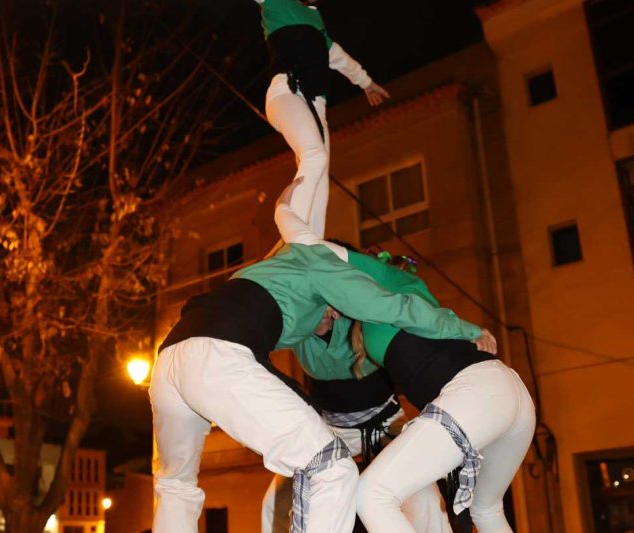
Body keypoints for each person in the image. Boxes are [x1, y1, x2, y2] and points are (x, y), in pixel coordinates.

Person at [150, 185, 482, 532]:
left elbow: (395, 306)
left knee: (175, 486)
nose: (331, 315)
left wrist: (461, 330)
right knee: (304, 484)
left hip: (381, 419)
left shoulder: (322, 301)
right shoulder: (307, 291)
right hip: (314, 412)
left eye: (336, 306)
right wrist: (295, 191)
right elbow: (302, 236)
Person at [273, 179, 536, 533]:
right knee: (486, 509)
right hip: (510, 394)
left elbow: (308, 246)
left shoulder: (386, 286)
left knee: (372, 495)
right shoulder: (371, 320)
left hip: (478, 393)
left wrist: (282, 209)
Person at [260, 307, 452, 533]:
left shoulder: (357, 317)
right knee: (274, 503)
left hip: (386, 422)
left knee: (425, 498)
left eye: (320, 313)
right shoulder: (297, 331)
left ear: (332, 310)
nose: (316, 322)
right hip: (331, 431)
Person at [254, 0, 389, 240]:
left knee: (320, 173)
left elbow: (337, 55)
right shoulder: (277, 2)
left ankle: (313, 243)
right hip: (287, 94)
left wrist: (366, 83)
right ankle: (295, 237)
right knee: (315, 156)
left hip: (317, 106)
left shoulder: (315, 19)